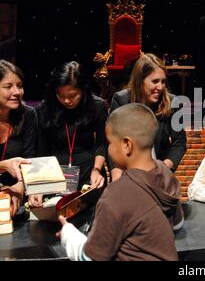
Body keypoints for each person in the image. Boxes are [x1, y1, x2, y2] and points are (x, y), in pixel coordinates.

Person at [58, 103, 180, 261]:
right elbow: (177, 224)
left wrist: (68, 234)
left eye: (110, 142)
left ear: (127, 145)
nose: (108, 149)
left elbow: (89, 258)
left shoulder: (117, 193)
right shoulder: (166, 174)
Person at [29, 62, 107, 207]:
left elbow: (101, 144)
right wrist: (38, 186)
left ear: (83, 90)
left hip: (88, 172)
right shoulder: (46, 109)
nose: (66, 101)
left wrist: (97, 170)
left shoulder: (97, 106)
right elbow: (42, 150)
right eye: (60, 95)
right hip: (53, 174)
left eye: (72, 95)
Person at [110, 53, 186, 180]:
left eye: (163, 81)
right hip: (127, 174)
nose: (160, 87)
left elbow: (180, 142)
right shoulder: (121, 100)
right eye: (155, 81)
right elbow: (113, 141)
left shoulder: (172, 102)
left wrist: (164, 167)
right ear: (140, 81)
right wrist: (117, 175)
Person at [0, 60, 38, 215]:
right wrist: (3, 165)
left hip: (13, 196)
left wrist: (20, 186)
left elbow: (30, 159)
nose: (17, 92)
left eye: (20, 85)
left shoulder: (27, 115)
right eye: (8, 86)